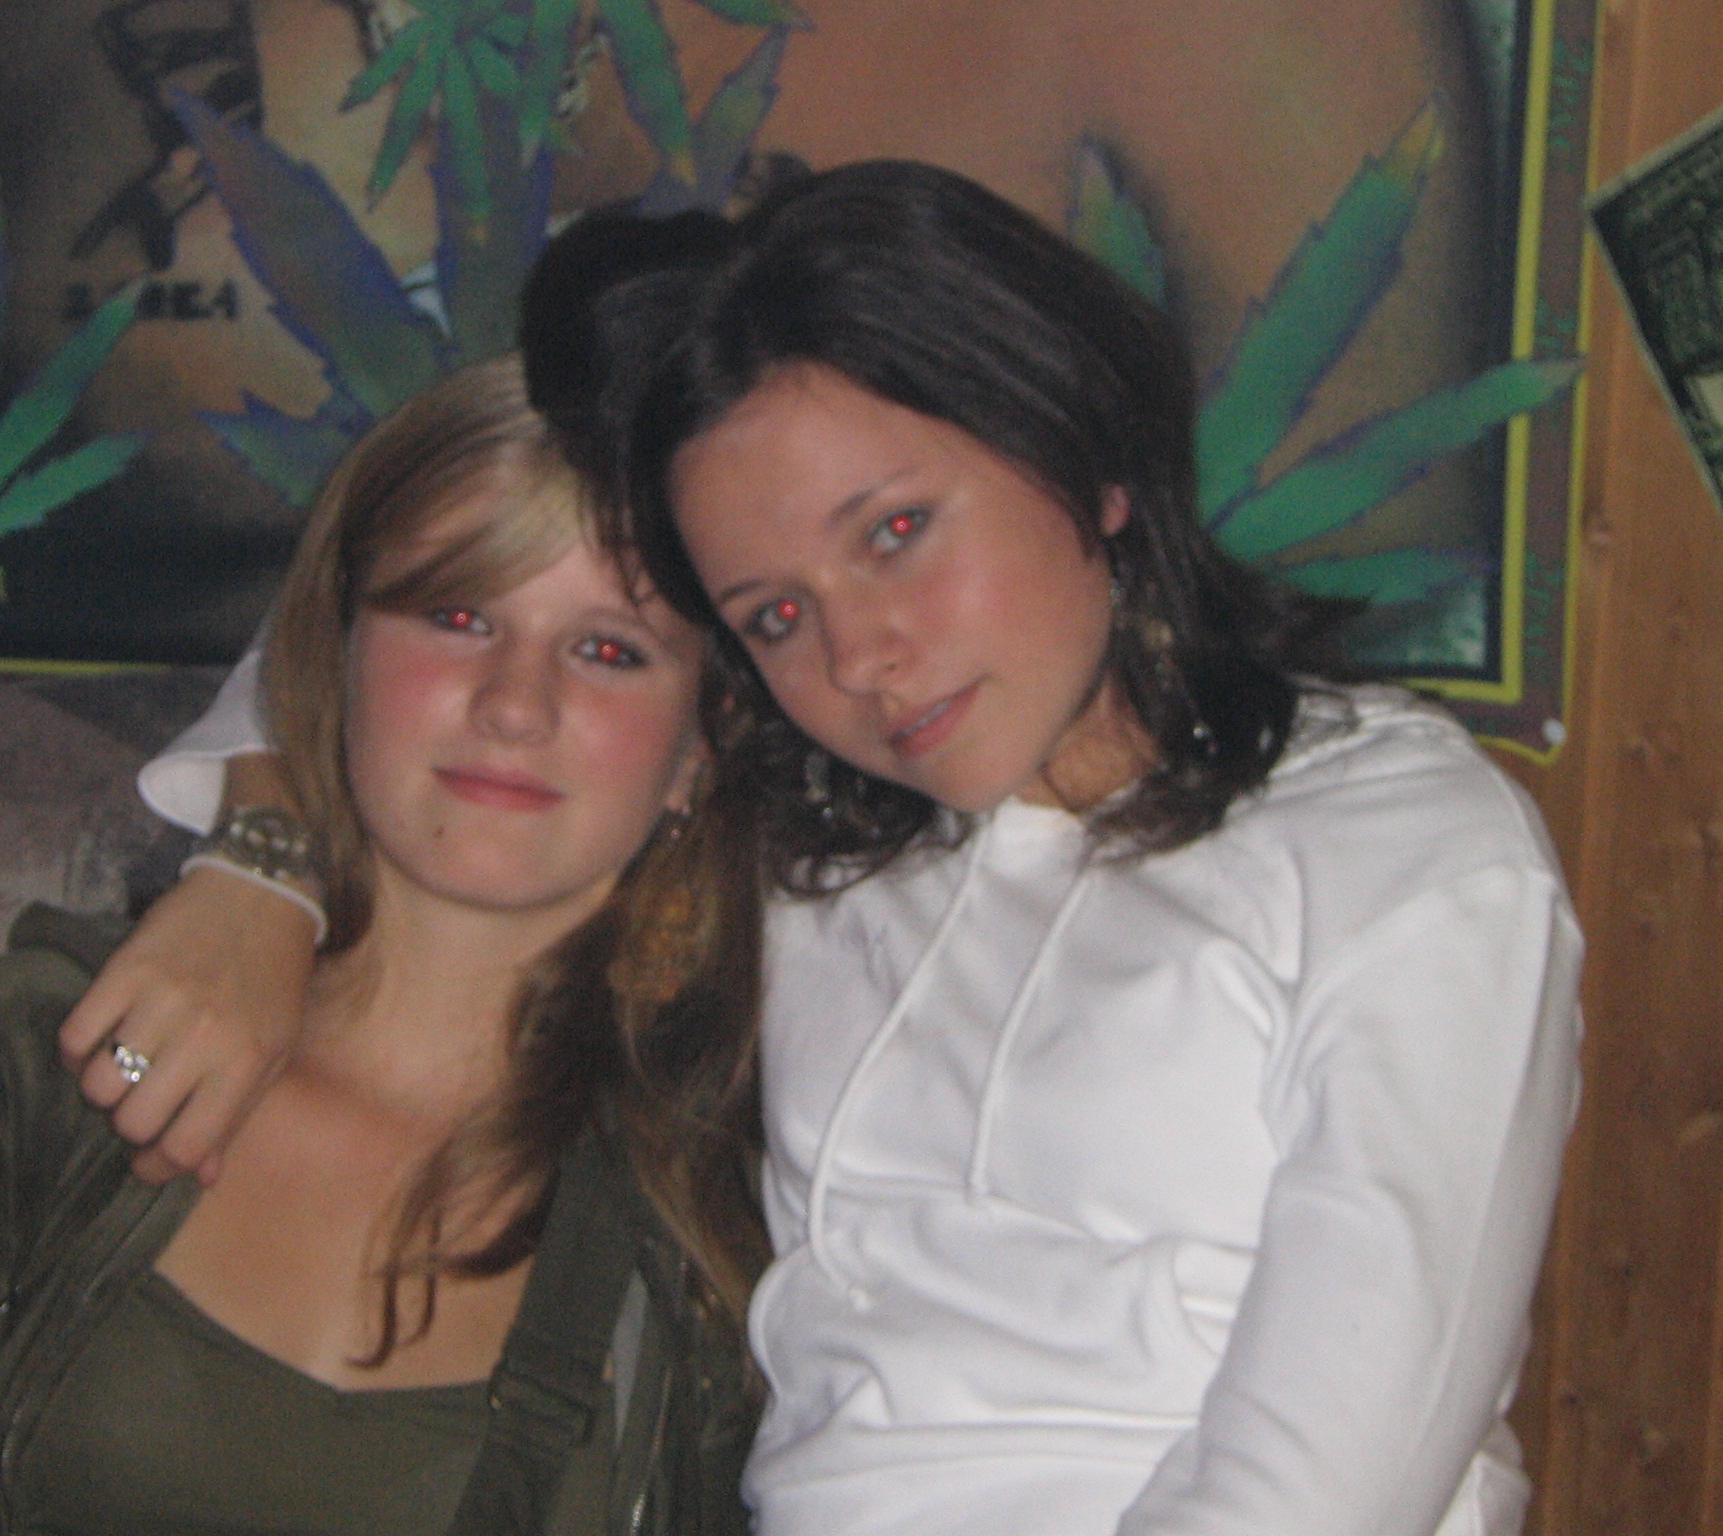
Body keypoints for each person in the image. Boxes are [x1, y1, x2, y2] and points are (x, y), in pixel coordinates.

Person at [85, 162, 1582, 1536]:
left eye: (895, 532)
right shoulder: (819, 841)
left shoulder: (1393, 845)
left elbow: (1329, 1481)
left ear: (1083, 450)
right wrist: (257, 871)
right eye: (775, 615)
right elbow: (381, 640)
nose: (860, 656)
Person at [0, 356, 766, 1536]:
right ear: (334, 652)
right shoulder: (38, 1059)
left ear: (697, 749)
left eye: (609, 650)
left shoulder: (719, 1203)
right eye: (457, 616)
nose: (515, 703)